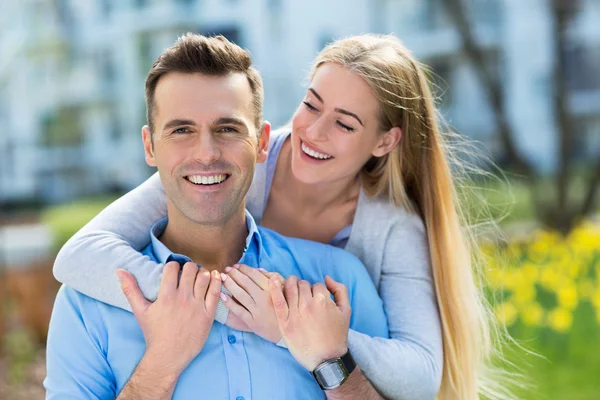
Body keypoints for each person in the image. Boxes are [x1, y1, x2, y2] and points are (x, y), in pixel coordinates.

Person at [53, 34, 495, 400]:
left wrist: (310, 339)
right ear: (150, 147)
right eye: (182, 130)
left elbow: (418, 377)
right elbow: (77, 255)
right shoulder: (89, 300)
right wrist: (168, 352)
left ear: (258, 142)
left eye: (345, 124)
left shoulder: (351, 272)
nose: (206, 153)